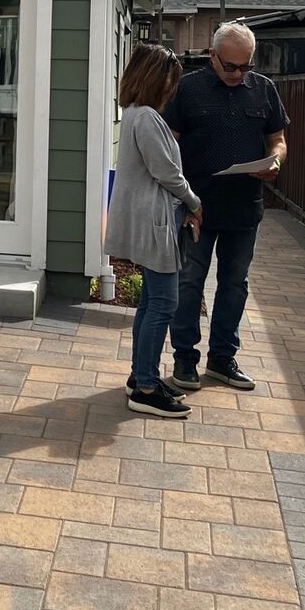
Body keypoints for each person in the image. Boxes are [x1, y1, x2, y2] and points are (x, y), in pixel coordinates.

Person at [163, 22, 289, 393]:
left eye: (245, 66)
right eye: (230, 66)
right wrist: (181, 200)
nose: (238, 74)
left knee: (235, 284)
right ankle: (185, 358)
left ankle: (222, 358)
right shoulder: (187, 89)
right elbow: (170, 148)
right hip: (196, 206)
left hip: (245, 208)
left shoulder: (264, 89)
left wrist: (275, 162)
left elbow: (278, 139)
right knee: (189, 284)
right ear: (212, 56)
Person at [108, 44, 203, 417]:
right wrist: (195, 203)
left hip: (146, 216)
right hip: (153, 220)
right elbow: (167, 172)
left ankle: (140, 376)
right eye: (170, 80)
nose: (172, 88)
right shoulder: (146, 117)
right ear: (156, 79)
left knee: (150, 302)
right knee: (164, 303)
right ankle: (145, 387)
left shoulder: (134, 113)